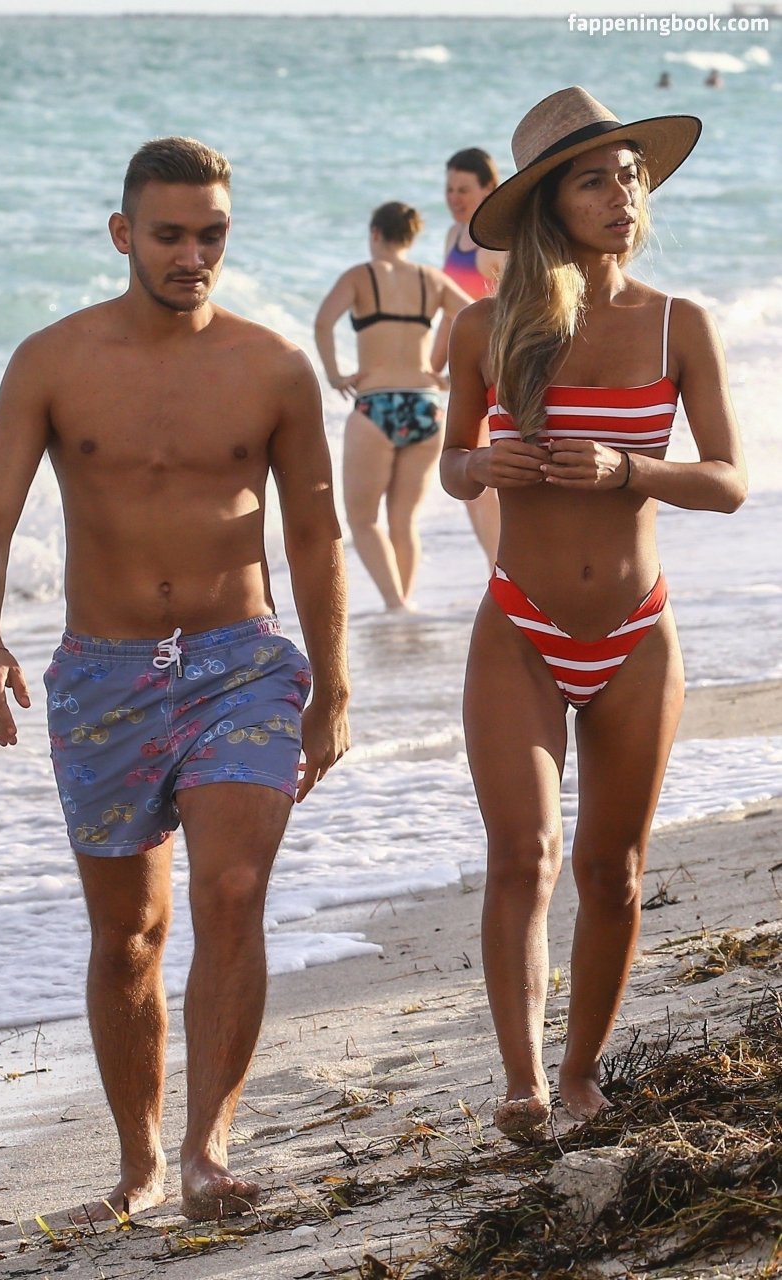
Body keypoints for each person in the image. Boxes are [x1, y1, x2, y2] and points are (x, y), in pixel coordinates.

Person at [0, 136, 351, 1220]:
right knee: (129, 934)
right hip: (102, 677)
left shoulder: (274, 366)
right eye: (170, 235)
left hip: (242, 664)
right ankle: (137, 1165)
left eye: (210, 234)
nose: (192, 255)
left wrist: (334, 688)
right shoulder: (51, 361)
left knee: (232, 890)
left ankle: (206, 1148)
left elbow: (314, 535)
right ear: (123, 233)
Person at [442, 87, 746, 1140]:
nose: (621, 196)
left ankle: (579, 1074)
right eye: (592, 180)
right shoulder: (483, 326)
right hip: (518, 628)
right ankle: (521, 1081)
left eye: (628, 175)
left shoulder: (677, 323)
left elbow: (728, 481)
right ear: (548, 205)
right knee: (522, 854)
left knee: (611, 870)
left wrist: (630, 468)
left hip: (635, 631)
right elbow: (451, 462)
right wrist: (478, 464)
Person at [314, 201, 469, 611]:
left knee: (363, 520)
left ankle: (395, 605)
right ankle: (405, 606)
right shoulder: (430, 279)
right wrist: (452, 376)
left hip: (376, 405)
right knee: (404, 519)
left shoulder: (360, 276)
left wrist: (335, 375)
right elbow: (480, 317)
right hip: (425, 406)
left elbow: (323, 322)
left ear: (375, 234)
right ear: (411, 237)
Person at [433, 148, 507, 563]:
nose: (454, 198)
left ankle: (505, 568)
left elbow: (520, 310)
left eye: (464, 189)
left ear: (489, 188)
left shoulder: (498, 242)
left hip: (496, 374)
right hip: (467, 375)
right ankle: (495, 568)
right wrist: (430, 367)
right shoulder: (453, 236)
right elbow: (450, 313)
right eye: (449, 189)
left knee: (488, 479)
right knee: (472, 484)